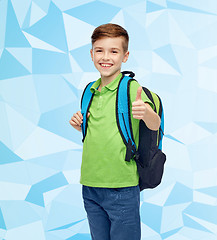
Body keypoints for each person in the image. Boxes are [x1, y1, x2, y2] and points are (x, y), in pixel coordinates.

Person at [69, 23, 161, 240]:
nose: (106, 57)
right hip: (90, 185)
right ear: (91, 54)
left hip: (121, 186)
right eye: (99, 50)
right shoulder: (90, 90)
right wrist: (78, 125)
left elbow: (155, 124)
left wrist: (145, 112)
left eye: (114, 51)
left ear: (125, 56)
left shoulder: (131, 89)